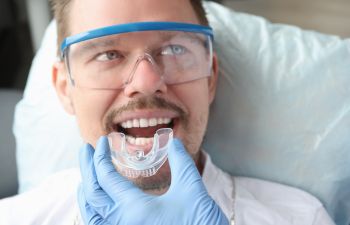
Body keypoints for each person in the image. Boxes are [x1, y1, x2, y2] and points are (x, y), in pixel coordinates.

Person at [0, 0, 336, 224]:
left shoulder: (300, 217)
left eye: (174, 48)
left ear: (210, 79)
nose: (146, 82)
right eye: (107, 55)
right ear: (64, 88)